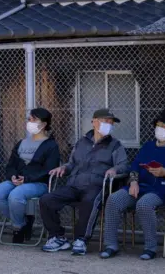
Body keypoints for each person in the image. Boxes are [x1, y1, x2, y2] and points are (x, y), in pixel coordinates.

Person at [100, 108, 165, 260]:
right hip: (141, 186)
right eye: (158, 125)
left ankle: (150, 248)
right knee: (114, 200)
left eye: (163, 126)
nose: (159, 128)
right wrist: (134, 182)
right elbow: (135, 165)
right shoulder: (149, 146)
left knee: (144, 204)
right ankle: (111, 245)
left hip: (164, 189)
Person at [40, 108, 128, 256]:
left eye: (111, 123)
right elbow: (71, 164)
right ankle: (57, 237)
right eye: (105, 121)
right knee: (46, 200)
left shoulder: (115, 145)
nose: (109, 125)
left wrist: (115, 169)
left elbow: (124, 165)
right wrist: (63, 168)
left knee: (89, 201)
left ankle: (81, 239)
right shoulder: (81, 142)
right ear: (94, 122)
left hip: (97, 185)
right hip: (74, 184)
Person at [0, 108, 60, 244]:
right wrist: (13, 176)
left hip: (38, 183)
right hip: (17, 180)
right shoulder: (21, 143)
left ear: (44, 124)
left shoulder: (51, 145)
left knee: (15, 195)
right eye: (29, 119)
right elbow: (11, 164)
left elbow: (49, 169)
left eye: (34, 120)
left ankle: (17, 228)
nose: (30, 122)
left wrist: (26, 180)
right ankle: (23, 222)